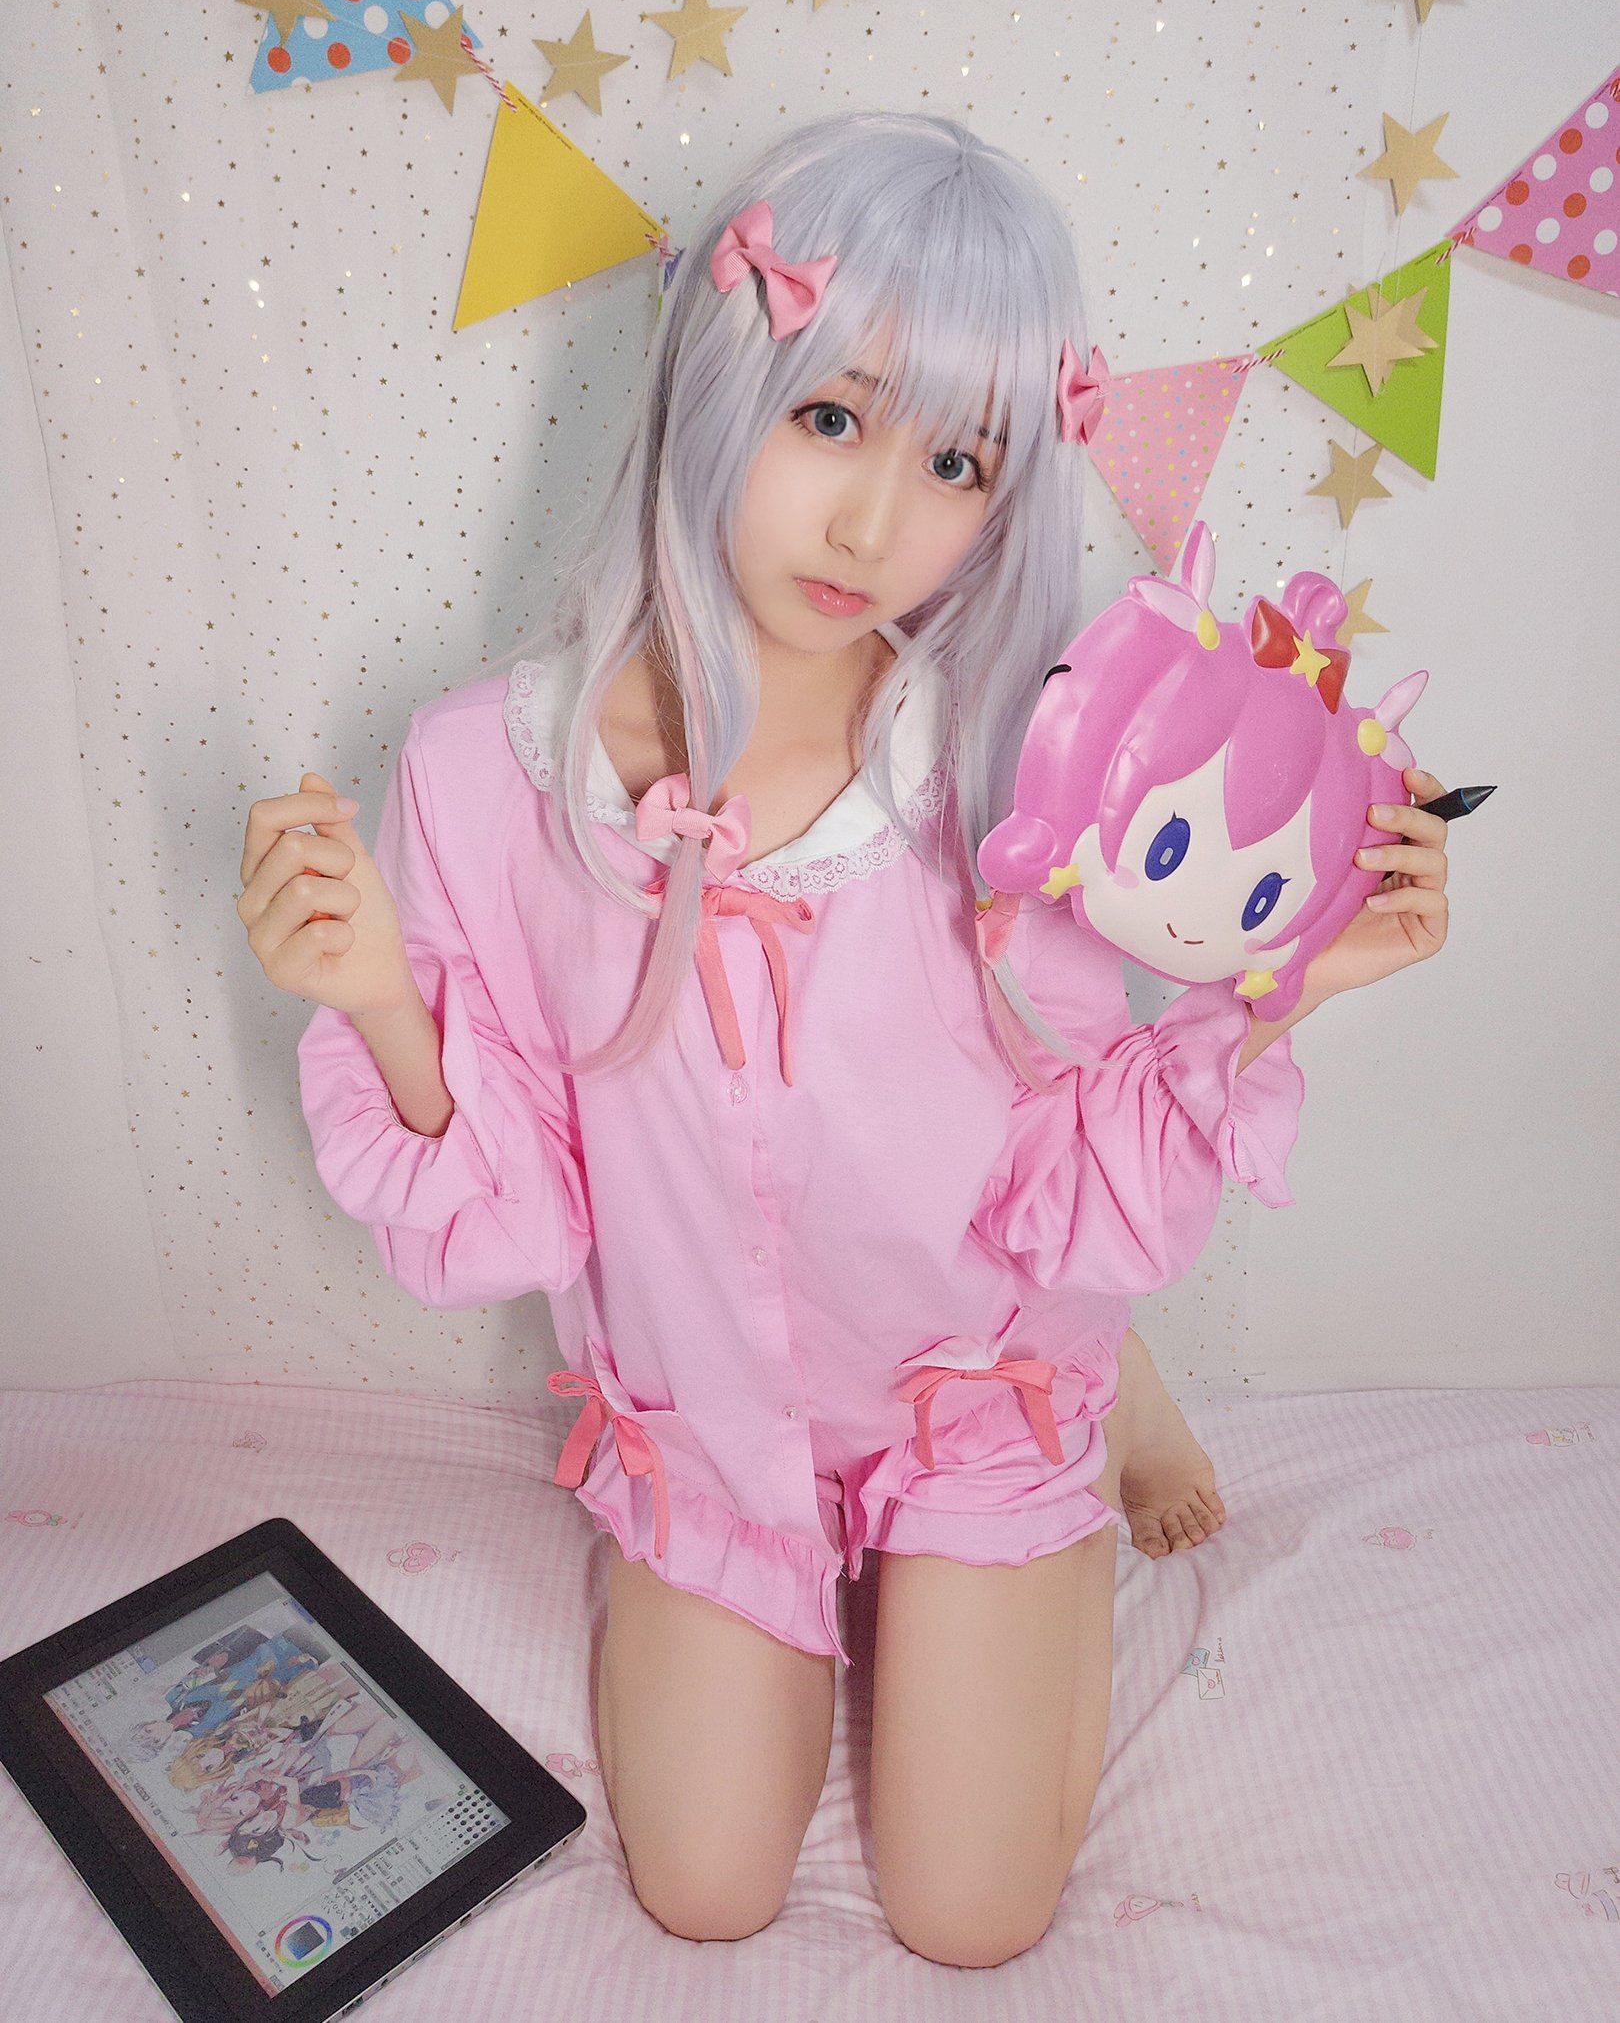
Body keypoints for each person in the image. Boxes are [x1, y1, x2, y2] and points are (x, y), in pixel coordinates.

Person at [235, 110, 1449, 1967]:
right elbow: (528, 1204)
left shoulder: (1018, 758)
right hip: (708, 1414)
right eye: (830, 418)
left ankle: (1103, 1391)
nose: (879, 527)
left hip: (975, 1371)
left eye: (956, 460)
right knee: (703, 1885)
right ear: (725, 381)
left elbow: (1074, 1122)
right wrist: (379, 997)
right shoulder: (485, 771)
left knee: (972, 1917)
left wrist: (1292, 983)